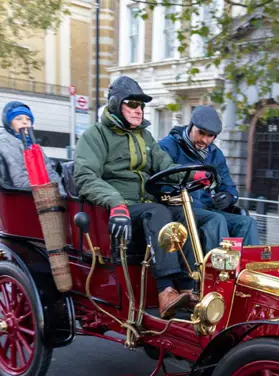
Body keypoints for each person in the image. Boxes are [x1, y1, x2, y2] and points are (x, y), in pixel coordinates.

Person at [73, 76, 224, 319]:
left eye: (141, 106)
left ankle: (186, 287)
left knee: (182, 213)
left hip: (143, 207)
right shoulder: (95, 136)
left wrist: (194, 174)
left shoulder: (145, 137)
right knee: (159, 212)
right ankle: (165, 292)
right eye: (132, 105)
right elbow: (85, 177)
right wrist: (116, 203)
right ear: (115, 105)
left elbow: (165, 166)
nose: (138, 110)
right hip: (117, 209)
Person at [158, 106, 259, 246]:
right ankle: (216, 267)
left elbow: (229, 187)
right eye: (201, 133)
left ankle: (245, 267)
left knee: (247, 223)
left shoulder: (215, 154)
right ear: (191, 126)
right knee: (216, 220)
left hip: (207, 210)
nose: (205, 140)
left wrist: (228, 197)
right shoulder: (167, 146)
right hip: (176, 210)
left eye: (210, 136)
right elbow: (160, 181)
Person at [0, 101, 64, 194]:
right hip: (28, 195)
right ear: (9, 123)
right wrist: (51, 190)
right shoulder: (6, 141)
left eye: (28, 119)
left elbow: (49, 171)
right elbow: (19, 180)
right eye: (18, 119)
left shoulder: (30, 143)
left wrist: (61, 192)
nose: (25, 122)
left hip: (43, 192)